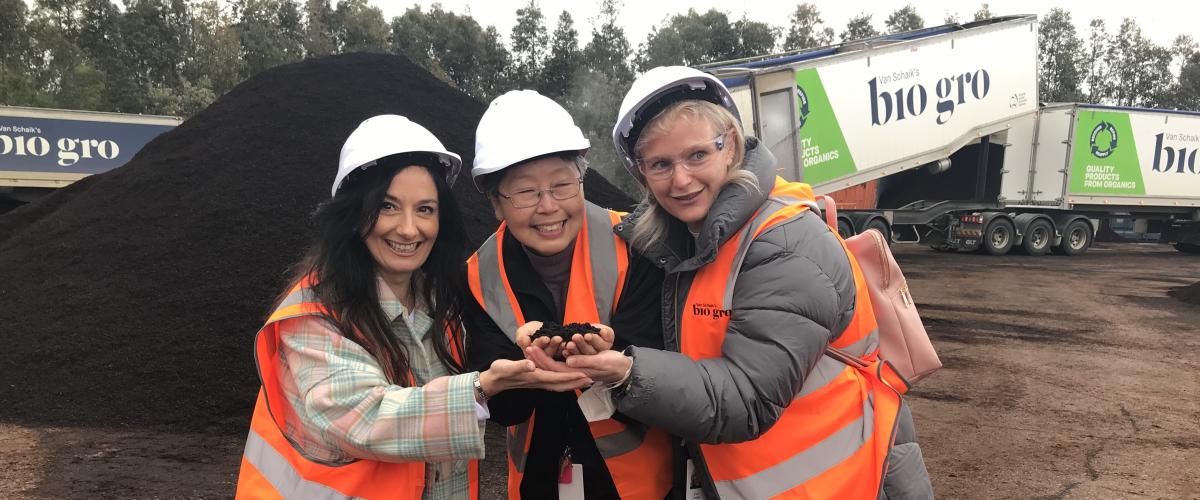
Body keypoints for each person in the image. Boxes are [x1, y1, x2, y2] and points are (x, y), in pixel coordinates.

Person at [530, 66, 934, 499]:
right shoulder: (686, 243)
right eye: (661, 164)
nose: (681, 179)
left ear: (732, 147)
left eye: (697, 155)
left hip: (841, 483)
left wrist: (628, 371)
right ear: (641, 174)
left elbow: (747, 399)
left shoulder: (786, 244)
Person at [235, 115, 591, 500]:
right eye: (387, 207)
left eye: (425, 209)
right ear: (354, 215)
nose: (408, 229)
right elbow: (363, 417)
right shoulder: (314, 315)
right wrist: (481, 386)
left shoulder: (444, 304)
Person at [462, 90, 674, 499]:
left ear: (581, 180)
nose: (548, 206)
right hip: (540, 481)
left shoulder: (634, 245)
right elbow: (504, 410)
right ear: (495, 204)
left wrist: (616, 357)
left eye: (562, 184)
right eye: (525, 192)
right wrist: (519, 373)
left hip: (637, 484)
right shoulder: (477, 276)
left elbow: (663, 363)